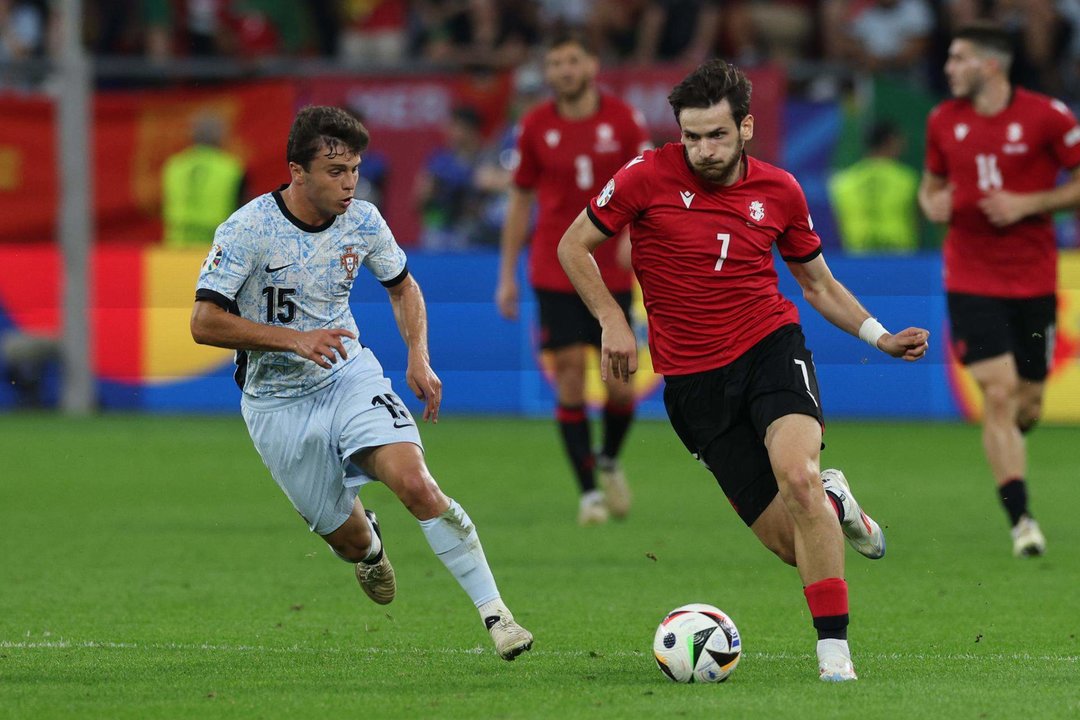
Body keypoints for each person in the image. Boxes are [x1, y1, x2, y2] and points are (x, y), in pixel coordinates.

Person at [558, 59, 929, 681]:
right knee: (793, 543)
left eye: (717, 135)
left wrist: (880, 335)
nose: (702, 149)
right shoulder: (644, 175)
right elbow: (573, 245)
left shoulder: (781, 190)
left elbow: (817, 283)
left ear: (746, 127)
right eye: (692, 135)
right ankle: (837, 502)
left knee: (797, 476)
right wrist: (614, 321)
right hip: (693, 385)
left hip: (768, 348)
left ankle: (833, 652)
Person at [189, 106, 533, 660]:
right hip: (276, 404)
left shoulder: (365, 221)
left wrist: (419, 356)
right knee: (349, 544)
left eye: (353, 169)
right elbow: (203, 323)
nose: (349, 183)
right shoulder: (248, 229)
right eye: (335, 171)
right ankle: (371, 546)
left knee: (416, 482)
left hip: (348, 375)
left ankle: (499, 617)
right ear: (297, 172)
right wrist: (292, 339)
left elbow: (403, 286)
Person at [918, 22, 1080, 558]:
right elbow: (932, 184)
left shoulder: (1047, 117)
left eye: (957, 58)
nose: (948, 68)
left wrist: (1027, 203)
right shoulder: (943, 120)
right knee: (1000, 391)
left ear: (990, 65)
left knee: (1028, 403)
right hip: (969, 274)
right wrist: (931, 203)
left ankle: (1015, 448)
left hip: (1033, 278)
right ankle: (1022, 520)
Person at [495, 32, 651, 526]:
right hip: (554, 266)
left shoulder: (624, 120)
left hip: (610, 271)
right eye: (555, 62)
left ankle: (608, 458)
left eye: (572, 60)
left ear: (593, 64)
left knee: (621, 387)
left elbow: (650, 184)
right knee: (567, 375)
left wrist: (634, 235)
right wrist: (507, 275)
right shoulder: (535, 126)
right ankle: (588, 494)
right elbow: (520, 200)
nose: (563, 70)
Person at [829, 120, 921, 254]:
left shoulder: (843, 182)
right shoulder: (908, 179)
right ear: (891, 141)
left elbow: (839, 222)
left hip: (857, 260)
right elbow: (917, 219)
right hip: (901, 259)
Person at [162, 112, 247, 248]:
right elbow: (245, 213)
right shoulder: (231, 168)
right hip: (217, 248)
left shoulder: (175, 166)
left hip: (176, 247)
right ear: (221, 137)